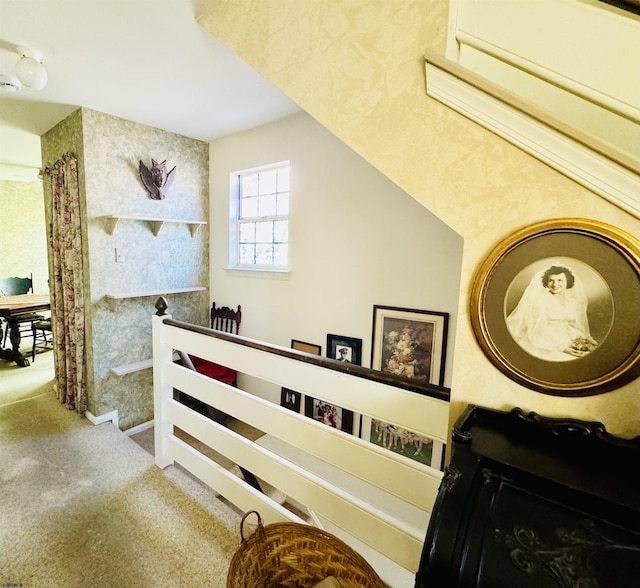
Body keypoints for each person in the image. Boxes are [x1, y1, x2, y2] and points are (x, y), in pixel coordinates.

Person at [506, 263, 598, 361]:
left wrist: (582, 341)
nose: (555, 284)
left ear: (568, 282)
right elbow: (537, 330)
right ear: (546, 282)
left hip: (567, 336)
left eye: (560, 280)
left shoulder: (572, 302)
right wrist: (562, 348)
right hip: (544, 340)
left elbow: (570, 324)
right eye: (551, 280)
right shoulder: (539, 301)